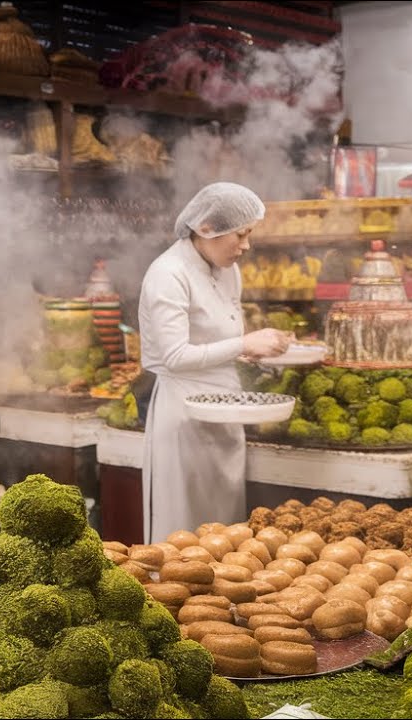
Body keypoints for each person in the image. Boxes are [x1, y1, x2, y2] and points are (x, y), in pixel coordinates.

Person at [138, 182, 293, 543]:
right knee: (181, 534)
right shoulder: (168, 274)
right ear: (207, 228)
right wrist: (242, 342)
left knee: (225, 533)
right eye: (239, 235)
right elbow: (175, 356)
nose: (246, 246)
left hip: (227, 410)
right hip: (183, 416)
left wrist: (254, 351)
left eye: (249, 234)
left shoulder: (227, 270)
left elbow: (217, 341)